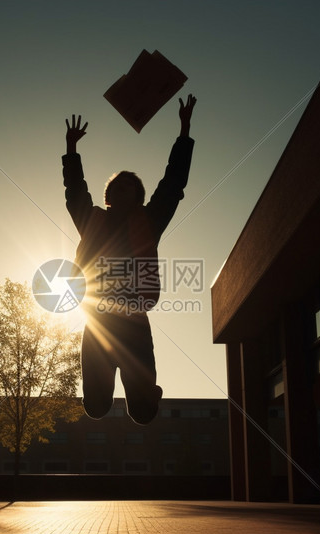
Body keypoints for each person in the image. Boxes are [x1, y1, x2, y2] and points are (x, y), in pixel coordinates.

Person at [63, 94, 196, 424]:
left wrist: (184, 130)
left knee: (142, 411)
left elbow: (172, 184)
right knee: (95, 406)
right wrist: (71, 150)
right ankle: (100, 389)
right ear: (107, 197)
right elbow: (75, 191)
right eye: (115, 187)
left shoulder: (148, 221)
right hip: (98, 323)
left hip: (134, 324)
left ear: (138, 198)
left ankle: (145, 393)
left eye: (127, 187)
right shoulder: (92, 220)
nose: (118, 191)